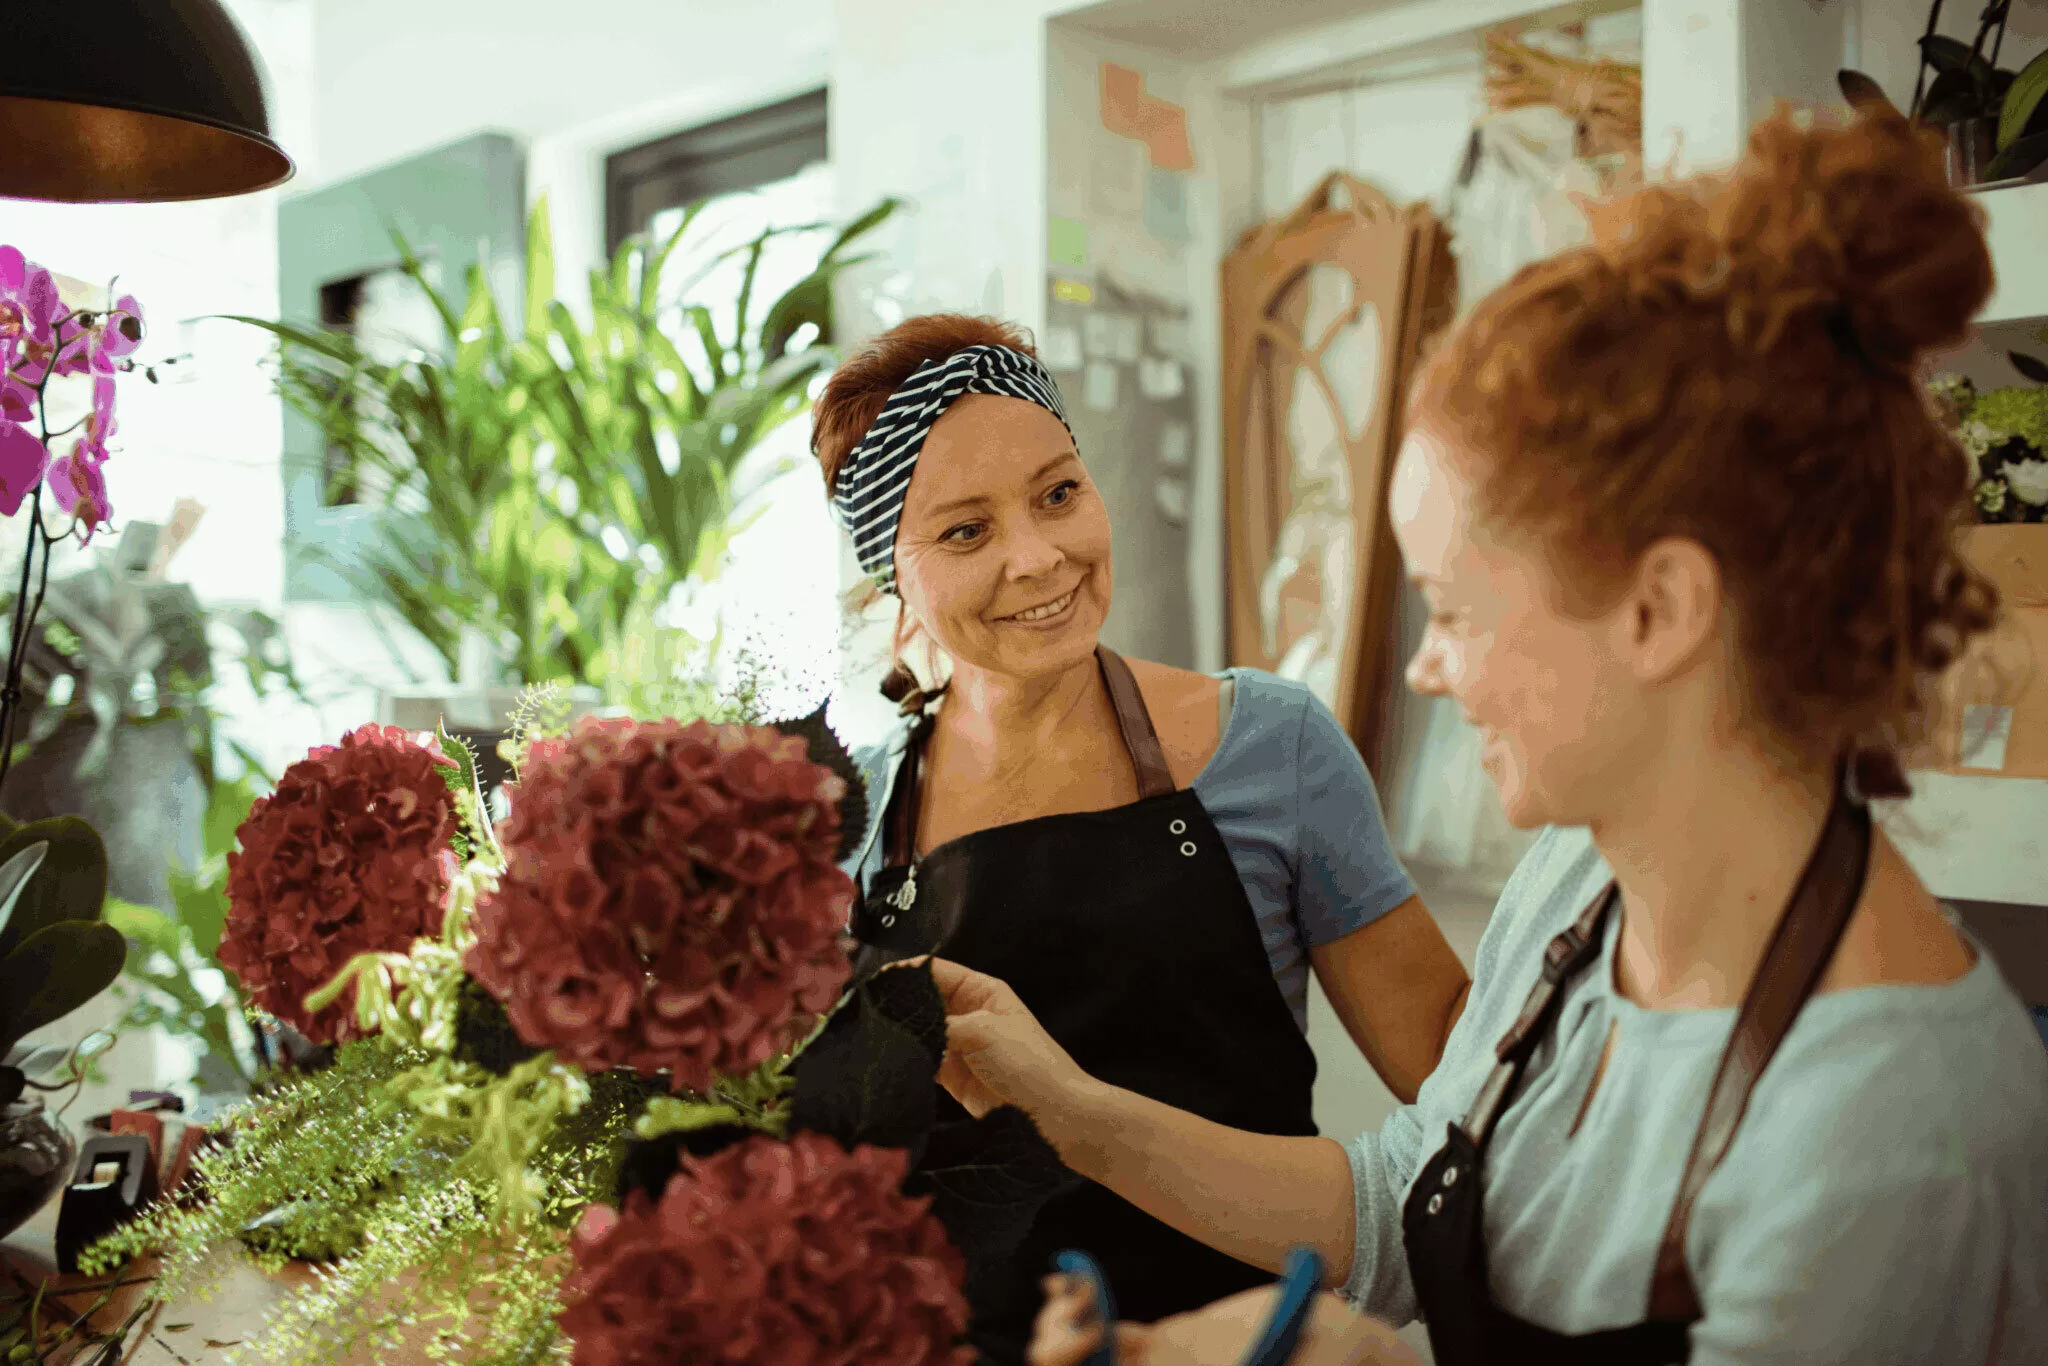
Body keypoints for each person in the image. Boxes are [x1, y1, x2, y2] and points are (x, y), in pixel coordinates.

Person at [926, 106, 2048, 1366]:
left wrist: (1352, 1364)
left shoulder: (1887, 1129)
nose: (1425, 665)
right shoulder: (1579, 886)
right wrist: (1065, 1112)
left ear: (1658, 609)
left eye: (1453, 611)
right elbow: (1409, 1193)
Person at [813, 314, 1472, 1361]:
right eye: (966, 532)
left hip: (1249, 1345)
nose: (1040, 557)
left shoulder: (1272, 745)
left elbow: (1459, 1073)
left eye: (1057, 493)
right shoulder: (847, 827)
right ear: (890, 574)